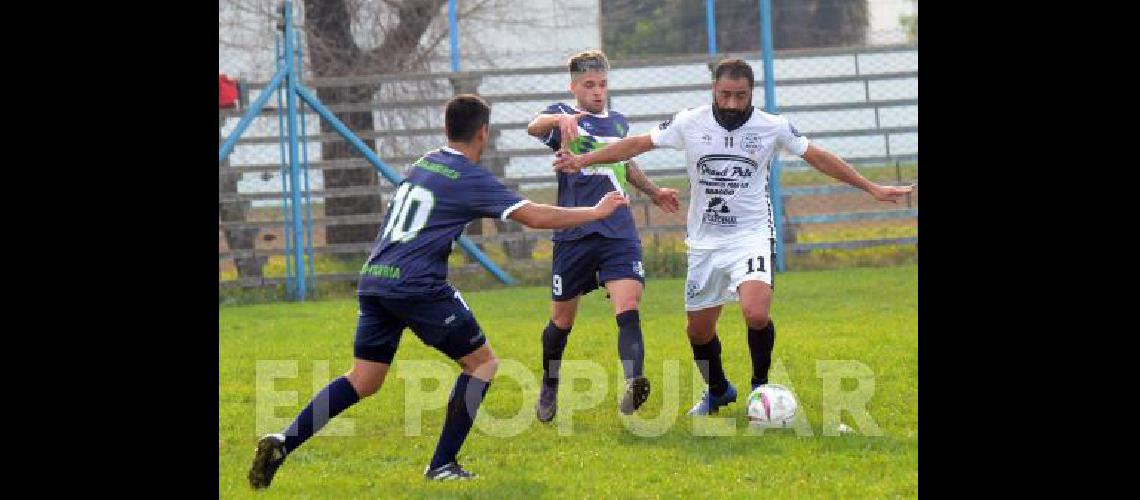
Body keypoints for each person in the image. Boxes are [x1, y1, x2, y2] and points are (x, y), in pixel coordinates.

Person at [248, 94, 631, 487]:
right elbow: (533, 215)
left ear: (446, 129)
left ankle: (285, 439)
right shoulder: (470, 176)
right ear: (483, 132)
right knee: (482, 364)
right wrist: (595, 212)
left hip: (376, 278)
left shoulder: (424, 162)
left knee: (364, 379)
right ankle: (442, 465)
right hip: (418, 285)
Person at [552, 58, 913, 415]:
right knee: (698, 331)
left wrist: (871, 187)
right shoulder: (689, 121)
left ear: (751, 93)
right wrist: (584, 161)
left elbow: (818, 156)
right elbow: (635, 144)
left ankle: (760, 389)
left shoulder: (772, 126)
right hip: (705, 241)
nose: (732, 104)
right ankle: (719, 390)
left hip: (751, 234)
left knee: (755, 313)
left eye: (740, 96)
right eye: (725, 94)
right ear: (714, 90)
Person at [525, 49, 680, 422]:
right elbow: (533, 126)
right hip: (574, 231)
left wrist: (654, 192)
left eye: (603, 85)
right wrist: (560, 120)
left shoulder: (620, 123)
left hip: (617, 230)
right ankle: (549, 384)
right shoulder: (564, 118)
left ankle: (633, 381)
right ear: (574, 87)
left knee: (628, 305)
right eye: (589, 85)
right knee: (561, 321)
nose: (597, 92)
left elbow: (626, 164)